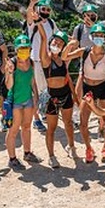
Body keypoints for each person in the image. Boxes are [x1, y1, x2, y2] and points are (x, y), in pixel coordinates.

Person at [64, 23, 105, 163]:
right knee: (83, 122)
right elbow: (64, 57)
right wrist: (69, 45)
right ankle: (89, 148)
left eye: (101, 35)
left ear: (104, 37)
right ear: (91, 37)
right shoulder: (84, 51)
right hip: (88, 87)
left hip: (103, 86)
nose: (99, 38)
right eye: (96, 35)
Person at [38, 26, 78, 167]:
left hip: (65, 94)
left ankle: (71, 146)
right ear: (50, 42)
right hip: (52, 98)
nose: (57, 44)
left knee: (68, 123)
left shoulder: (63, 60)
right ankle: (51, 156)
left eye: (60, 43)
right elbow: (43, 38)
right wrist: (38, 23)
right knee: (52, 128)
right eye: (55, 42)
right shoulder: (46, 59)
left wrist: (75, 96)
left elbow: (67, 78)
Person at [4, 34, 41, 170]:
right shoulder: (11, 64)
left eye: (26, 48)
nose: (24, 50)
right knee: (13, 130)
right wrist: (9, 72)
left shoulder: (30, 62)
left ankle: (27, 153)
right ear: (16, 49)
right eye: (21, 48)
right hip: (15, 102)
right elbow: (9, 86)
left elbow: (32, 81)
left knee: (26, 127)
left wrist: (36, 97)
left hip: (28, 100)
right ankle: (12, 158)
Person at [25, 0, 57, 134]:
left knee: (46, 89)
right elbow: (28, 15)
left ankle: (43, 112)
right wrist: (32, 3)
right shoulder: (34, 23)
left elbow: (57, 37)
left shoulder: (51, 23)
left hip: (48, 60)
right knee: (36, 91)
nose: (45, 11)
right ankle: (36, 119)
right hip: (36, 61)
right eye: (43, 9)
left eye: (48, 9)